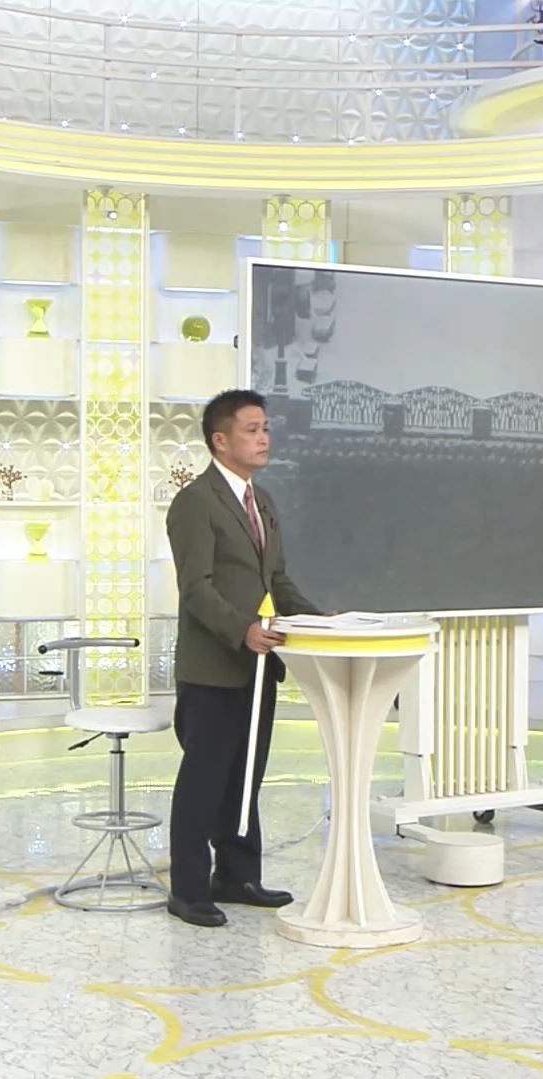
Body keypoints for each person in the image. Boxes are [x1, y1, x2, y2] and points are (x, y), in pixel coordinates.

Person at [165, 389, 323, 927]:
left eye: (266, 429)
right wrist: (243, 630)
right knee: (204, 781)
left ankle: (237, 877)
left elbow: (276, 581)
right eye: (252, 430)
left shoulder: (264, 502)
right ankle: (188, 890)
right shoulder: (195, 502)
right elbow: (196, 588)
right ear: (220, 439)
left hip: (258, 666)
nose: (264, 438)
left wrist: (320, 621)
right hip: (213, 667)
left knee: (245, 777)